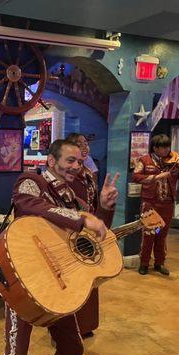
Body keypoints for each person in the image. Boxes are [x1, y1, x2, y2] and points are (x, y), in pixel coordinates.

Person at [0, 139, 108, 355]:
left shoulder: (70, 196)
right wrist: (81, 217)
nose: (76, 166)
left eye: (79, 162)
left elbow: (94, 232)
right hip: (22, 279)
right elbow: (29, 205)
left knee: (72, 349)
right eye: (70, 160)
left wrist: (104, 208)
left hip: (55, 283)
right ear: (52, 161)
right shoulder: (31, 181)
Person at [65, 134, 119, 337]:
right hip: (67, 239)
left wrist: (105, 205)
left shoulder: (88, 174)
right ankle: (66, 331)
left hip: (87, 239)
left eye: (85, 144)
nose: (84, 148)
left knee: (89, 282)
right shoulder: (60, 178)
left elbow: (97, 212)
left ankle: (85, 326)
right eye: (79, 145)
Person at [132, 134, 179, 276]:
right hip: (150, 204)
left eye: (168, 147)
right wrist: (156, 177)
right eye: (163, 147)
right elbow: (136, 177)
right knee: (149, 233)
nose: (166, 150)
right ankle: (144, 263)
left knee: (161, 235)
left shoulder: (174, 162)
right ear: (155, 148)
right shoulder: (144, 161)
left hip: (167, 205)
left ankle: (159, 263)